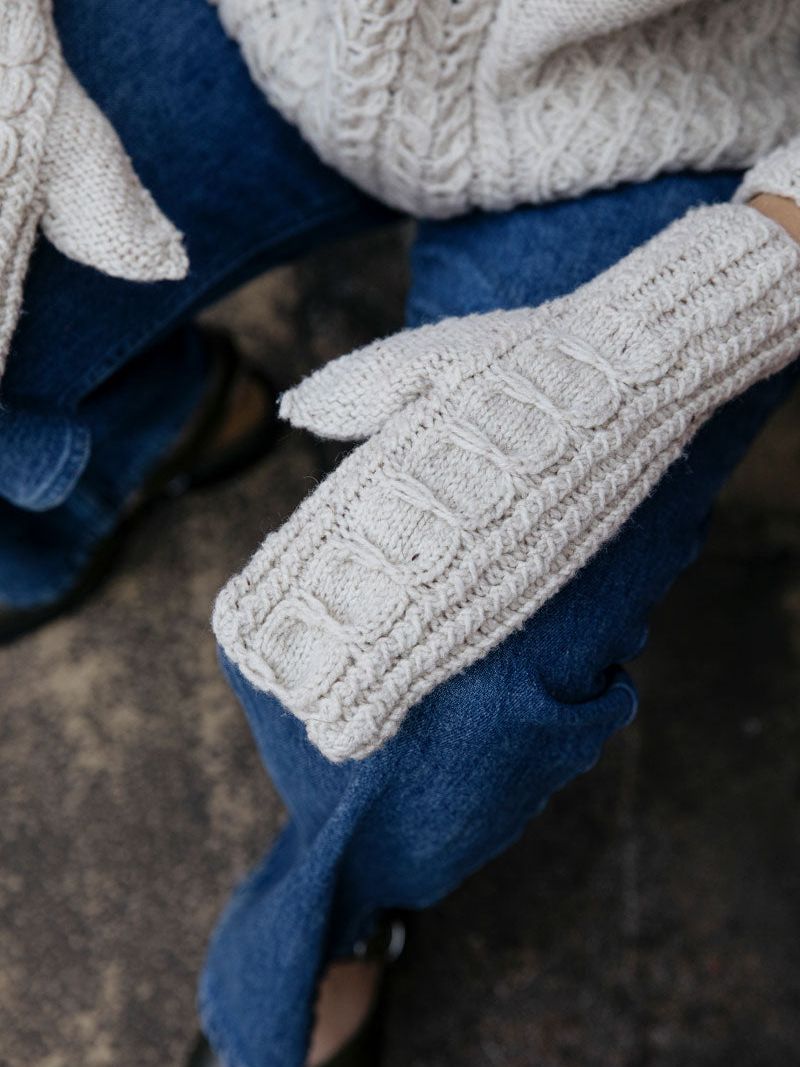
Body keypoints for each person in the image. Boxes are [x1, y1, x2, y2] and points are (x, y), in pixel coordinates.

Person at [2, 2, 800, 1066]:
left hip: (675, 112)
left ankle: (321, 934)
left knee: (452, 688)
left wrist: (701, 314)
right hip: (268, 21)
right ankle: (148, 441)